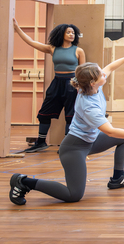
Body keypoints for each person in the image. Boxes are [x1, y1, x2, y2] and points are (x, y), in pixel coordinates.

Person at [8, 53, 124, 205]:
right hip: (74, 148)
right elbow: (110, 131)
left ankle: (118, 177)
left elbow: (111, 67)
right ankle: (24, 182)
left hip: (91, 140)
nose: (104, 73)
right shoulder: (89, 107)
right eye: (100, 73)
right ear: (92, 82)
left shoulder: (92, 86)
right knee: (73, 195)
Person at [13, 18, 86, 153]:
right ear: (61, 34)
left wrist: (79, 86)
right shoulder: (52, 48)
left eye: (73, 33)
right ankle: (41, 142)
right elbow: (31, 42)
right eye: (68, 32)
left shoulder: (78, 50)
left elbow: (82, 71)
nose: (72, 35)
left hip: (72, 84)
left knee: (70, 115)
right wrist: (17, 29)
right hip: (56, 82)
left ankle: (66, 145)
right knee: (44, 113)